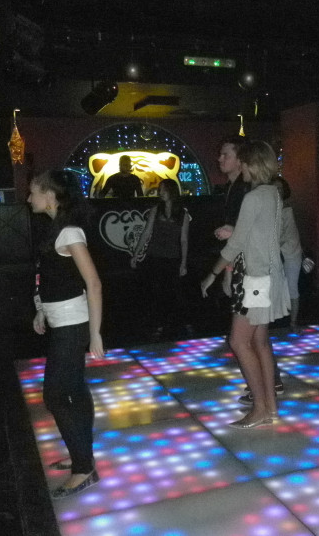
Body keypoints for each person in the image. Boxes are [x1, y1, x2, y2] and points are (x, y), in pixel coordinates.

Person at [201, 140, 290, 428]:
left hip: (254, 279)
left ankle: (260, 408)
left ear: (252, 164)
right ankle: (270, 407)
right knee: (260, 343)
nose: (242, 166)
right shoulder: (273, 193)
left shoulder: (253, 197)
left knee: (238, 341)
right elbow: (260, 236)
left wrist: (213, 273)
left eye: (245, 162)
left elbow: (236, 243)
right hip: (268, 276)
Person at [28, 170, 105, 499]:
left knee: (56, 396)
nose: (28, 198)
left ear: (50, 196)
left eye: (33, 192)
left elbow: (93, 283)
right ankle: (82, 456)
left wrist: (95, 333)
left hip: (73, 326)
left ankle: (83, 467)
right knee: (74, 390)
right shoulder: (56, 228)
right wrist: (41, 310)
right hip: (63, 322)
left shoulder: (69, 231)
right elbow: (50, 277)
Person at [130, 178, 191, 339]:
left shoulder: (183, 214)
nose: (160, 192)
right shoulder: (156, 210)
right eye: (160, 189)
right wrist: (136, 254)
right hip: (155, 255)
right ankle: (158, 324)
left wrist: (183, 263)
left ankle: (176, 322)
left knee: (173, 292)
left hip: (172, 257)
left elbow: (184, 239)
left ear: (171, 191)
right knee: (156, 292)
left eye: (163, 189)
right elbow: (146, 233)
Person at [274, 176, 303, 331]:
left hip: (291, 253)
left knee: (292, 287)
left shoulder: (287, 210)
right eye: (275, 188)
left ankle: (293, 323)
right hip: (277, 253)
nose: (277, 191)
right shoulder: (271, 209)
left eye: (280, 188)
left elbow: (284, 235)